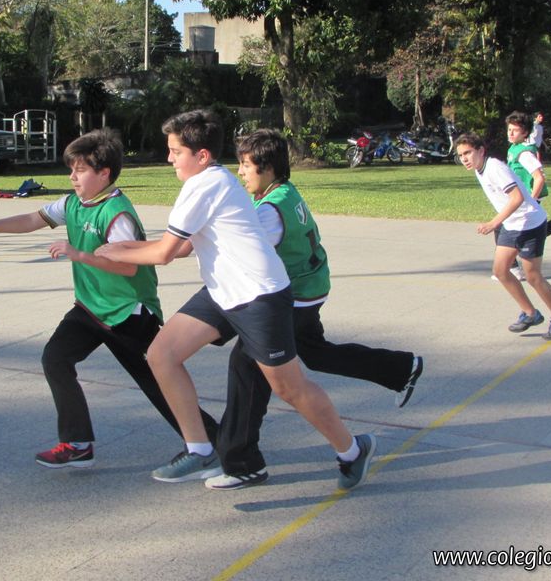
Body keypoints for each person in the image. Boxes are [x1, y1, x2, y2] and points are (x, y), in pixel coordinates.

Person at [95, 110, 375, 490]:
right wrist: (125, 247)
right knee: (162, 354)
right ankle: (201, 449)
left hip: (259, 297)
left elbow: (165, 254)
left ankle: (353, 451)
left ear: (202, 155)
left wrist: (115, 252)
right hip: (223, 291)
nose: (169, 158)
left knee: (289, 388)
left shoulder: (205, 185)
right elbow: (182, 246)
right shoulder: (213, 181)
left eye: (176, 151)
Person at [0, 128, 218, 469]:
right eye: (71, 169)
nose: (72, 177)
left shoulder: (117, 213)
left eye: (80, 170)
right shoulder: (72, 203)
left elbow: (128, 268)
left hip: (128, 313)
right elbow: (32, 219)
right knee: (55, 358)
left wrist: (79, 255)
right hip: (90, 308)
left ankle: (213, 439)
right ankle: (77, 444)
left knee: (157, 381)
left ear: (104, 173)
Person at [207, 129, 423, 490]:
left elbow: (243, 253)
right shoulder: (284, 193)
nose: (240, 171)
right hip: (310, 287)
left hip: (294, 296)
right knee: (316, 353)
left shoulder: (269, 212)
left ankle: (241, 461)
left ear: (268, 167)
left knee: (247, 365)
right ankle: (402, 368)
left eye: (245, 164)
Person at [454, 132, 551, 341]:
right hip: (512, 225)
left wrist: (494, 223)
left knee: (533, 276)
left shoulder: (494, 168)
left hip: (530, 224)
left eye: (468, 153)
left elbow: (517, 197)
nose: (464, 158)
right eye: (461, 155)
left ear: (481, 151)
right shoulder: (479, 169)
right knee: (501, 271)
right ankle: (530, 313)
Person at [504, 112, 551, 244]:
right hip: (520, 196)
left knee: (522, 234)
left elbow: (539, 178)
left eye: (515, 130)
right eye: (509, 129)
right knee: (520, 232)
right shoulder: (514, 148)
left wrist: (532, 200)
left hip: (528, 196)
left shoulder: (524, 153)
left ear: (525, 133)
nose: (510, 133)